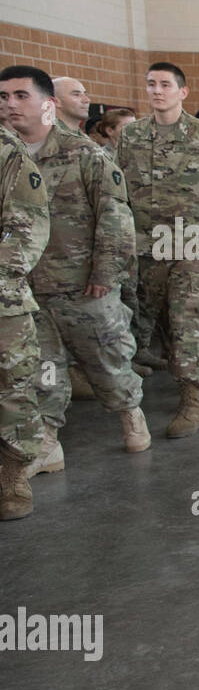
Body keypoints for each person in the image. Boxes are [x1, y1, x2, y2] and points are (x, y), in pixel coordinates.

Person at [0, 66, 148, 472]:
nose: (9, 104)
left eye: (19, 96)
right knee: (41, 369)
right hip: (23, 288)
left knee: (107, 359)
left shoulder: (84, 153)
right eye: (3, 97)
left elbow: (115, 216)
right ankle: (47, 443)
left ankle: (130, 412)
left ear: (47, 104)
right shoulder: (4, 158)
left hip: (82, 284)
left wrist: (105, 273)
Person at [114, 62, 199, 438]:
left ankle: (192, 400)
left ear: (182, 92)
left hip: (195, 244)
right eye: (151, 84)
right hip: (147, 247)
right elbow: (117, 193)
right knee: (166, 323)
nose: (157, 90)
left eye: (165, 84)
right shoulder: (131, 136)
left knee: (187, 317)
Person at [0, 121, 51, 520]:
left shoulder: (7, 150)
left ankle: (14, 471)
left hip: (3, 292)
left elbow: (26, 225)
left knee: (13, 384)